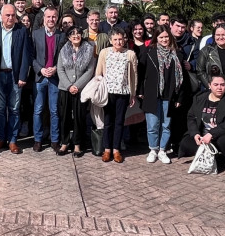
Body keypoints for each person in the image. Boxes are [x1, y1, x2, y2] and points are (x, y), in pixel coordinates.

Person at [179, 70, 225, 180]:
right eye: (216, 84)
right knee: (186, 143)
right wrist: (195, 134)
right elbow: (191, 117)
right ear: (209, 85)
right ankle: (213, 157)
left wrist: (212, 134)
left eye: (222, 85)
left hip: (222, 135)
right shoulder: (199, 98)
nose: (219, 88)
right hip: (203, 135)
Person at [0, 4, 32, 154]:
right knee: (0, 109)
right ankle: (1, 137)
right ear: (1, 15)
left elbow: (26, 56)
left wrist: (22, 76)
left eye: (13, 15)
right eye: (7, 15)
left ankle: (13, 140)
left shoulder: (22, 31)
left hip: (15, 76)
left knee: (14, 109)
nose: (10, 18)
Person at [138, 26, 185, 164]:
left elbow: (182, 79)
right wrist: (140, 91)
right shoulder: (149, 52)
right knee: (152, 125)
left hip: (169, 95)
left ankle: (162, 150)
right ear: (156, 38)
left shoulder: (177, 54)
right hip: (152, 94)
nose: (164, 40)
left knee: (166, 125)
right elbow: (140, 73)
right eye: (161, 37)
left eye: (166, 37)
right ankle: (153, 149)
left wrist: (179, 97)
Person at [95, 27, 137, 163]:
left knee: (119, 122)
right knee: (108, 121)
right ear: (110, 40)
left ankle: (116, 149)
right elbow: (98, 72)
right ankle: (106, 149)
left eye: (121, 39)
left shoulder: (130, 54)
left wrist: (133, 94)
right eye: (115, 39)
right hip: (108, 92)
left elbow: (134, 75)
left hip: (123, 92)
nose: (118, 42)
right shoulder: (104, 52)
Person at [56, 26, 96, 157]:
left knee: (79, 117)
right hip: (65, 88)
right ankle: (65, 143)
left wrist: (77, 86)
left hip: (81, 89)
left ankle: (77, 144)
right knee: (64, 116)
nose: (75, 36)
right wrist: (69, 86)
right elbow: (60, 69)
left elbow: (90, 70)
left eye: (78, 33)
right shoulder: (64, 49)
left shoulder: (89, 49)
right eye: (72, 34)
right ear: (68, 37)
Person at [31, 7, 66, 152]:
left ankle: (55, 140)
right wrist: (40, 69)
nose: (51, 19)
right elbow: (31, 57)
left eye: (54, 17)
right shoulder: (35, 34)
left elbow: (65, 57)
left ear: (57, 18)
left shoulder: (62, 36)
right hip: (40, 77)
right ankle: (38, 140)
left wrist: (56, 68)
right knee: (38, 110)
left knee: (54, 111)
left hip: (55, 78)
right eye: (48, 17)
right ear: (43, 18)